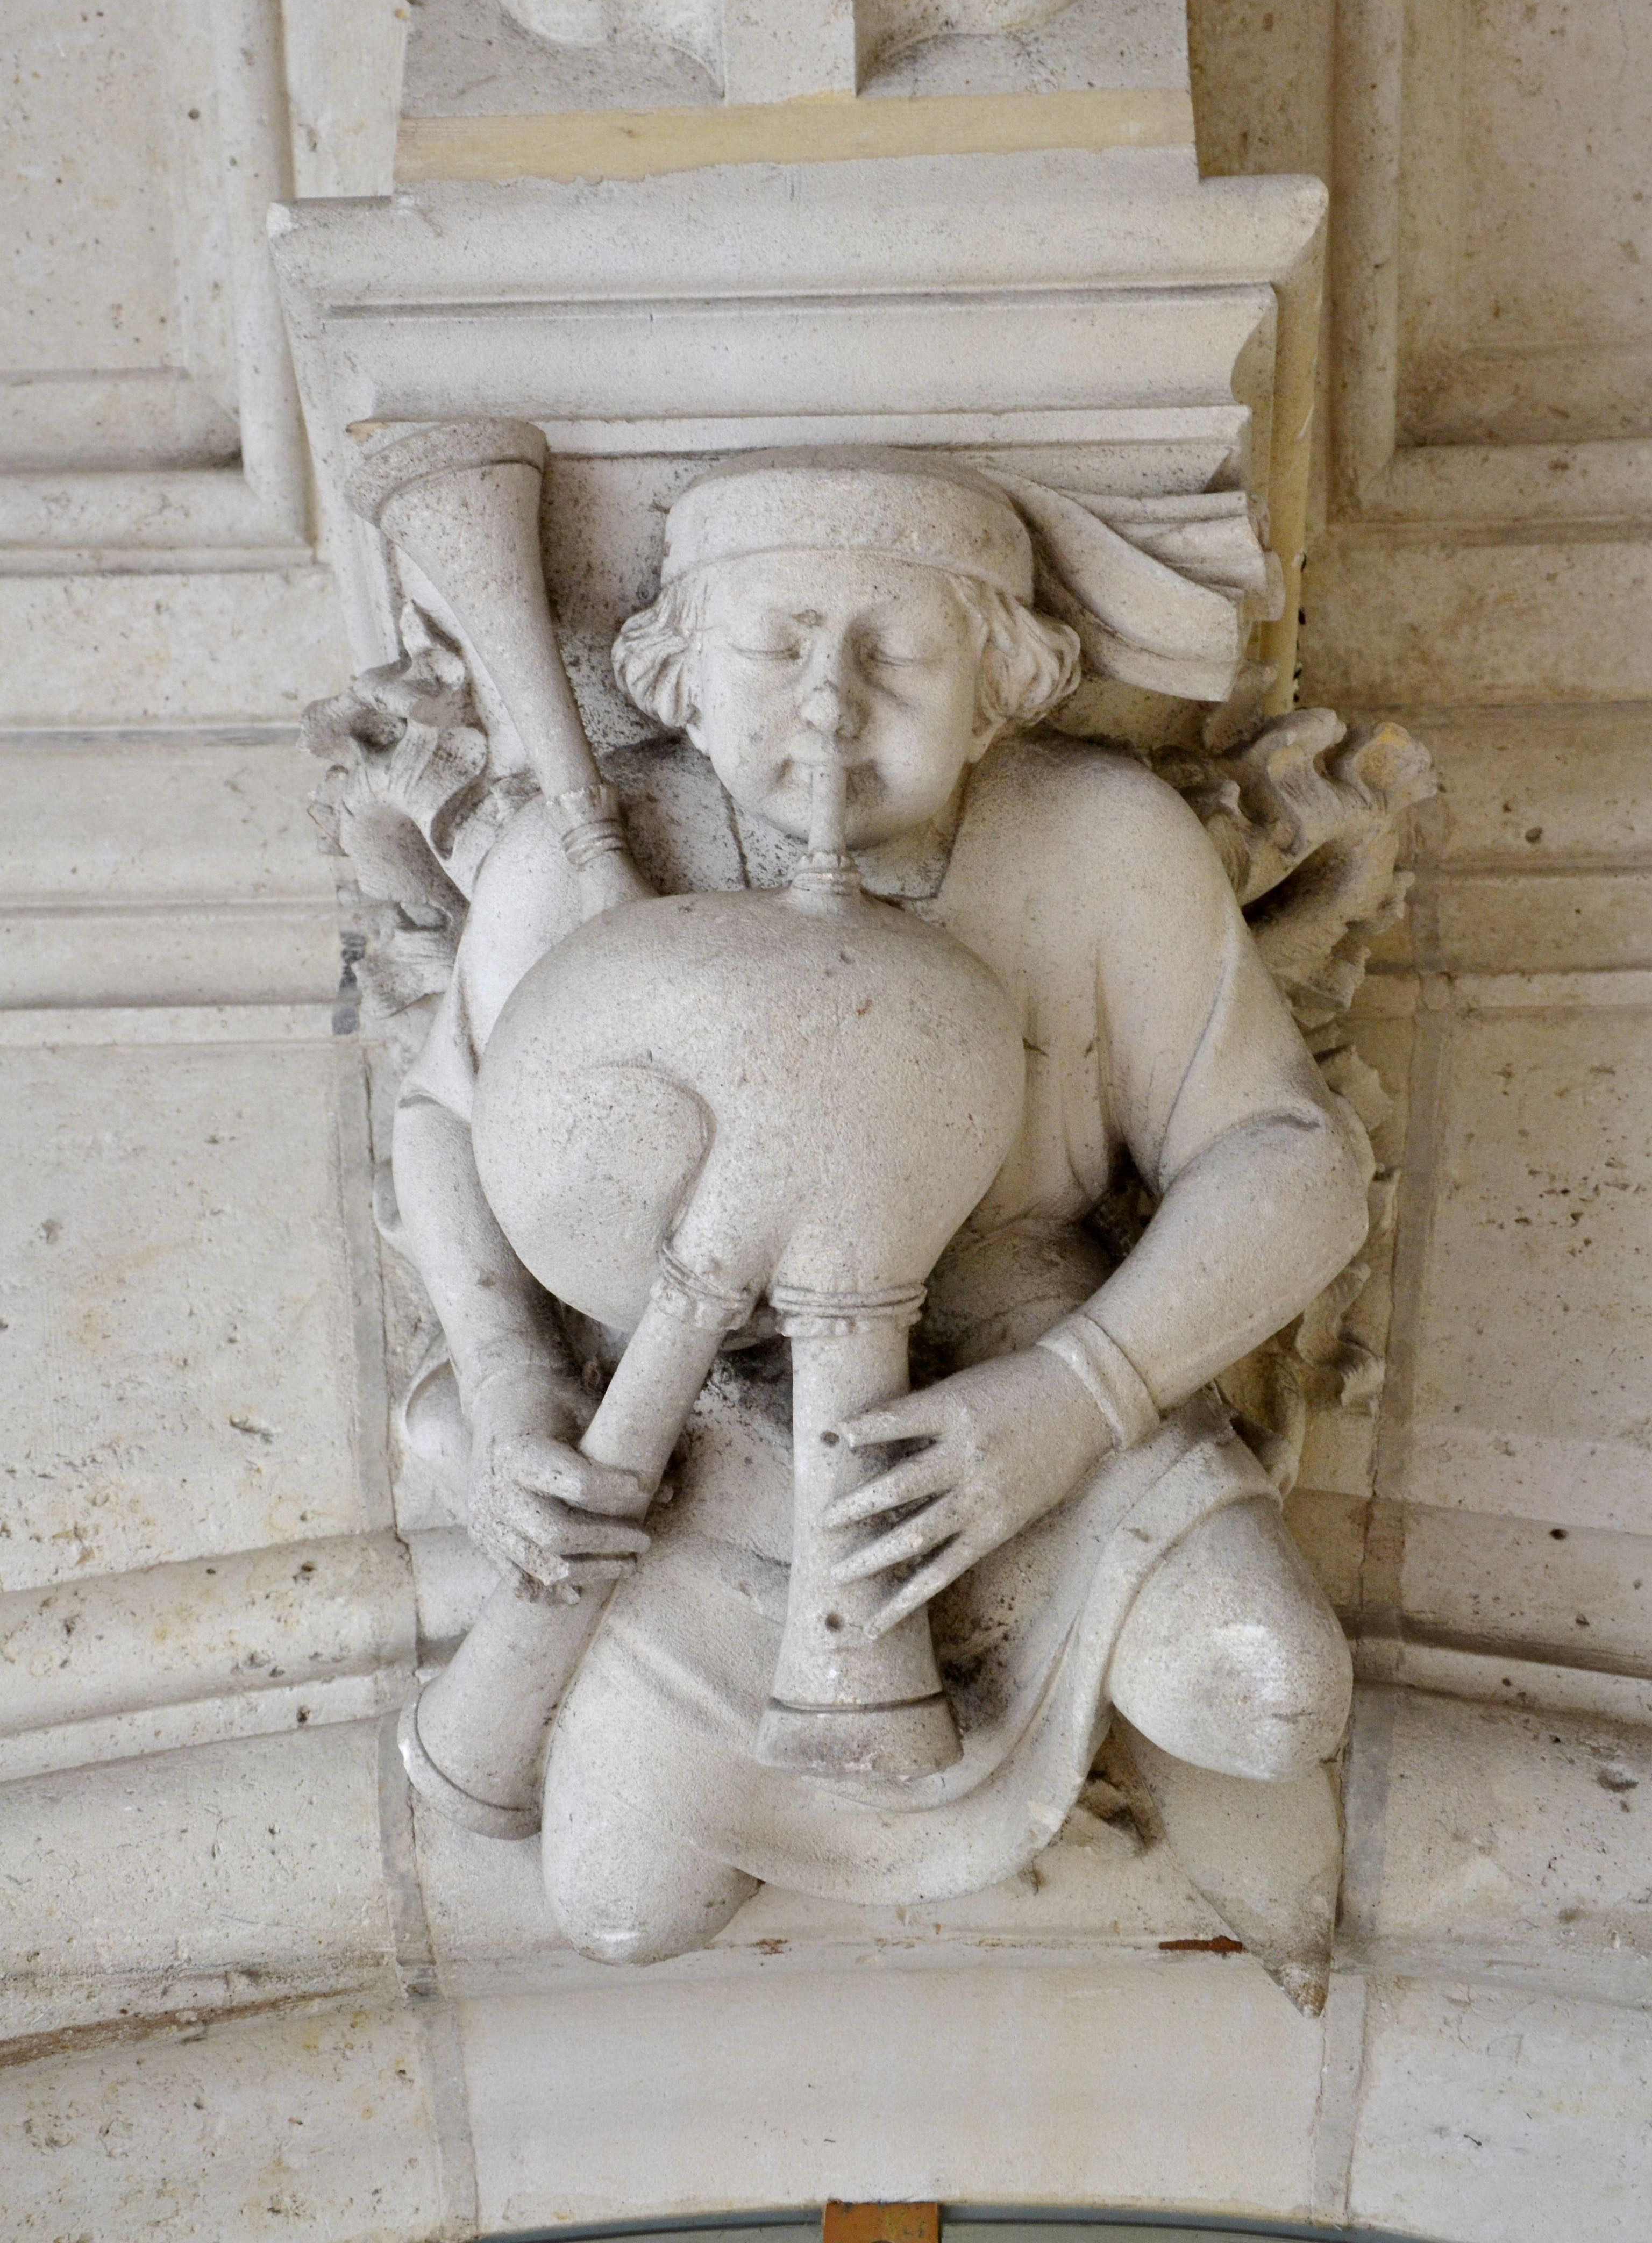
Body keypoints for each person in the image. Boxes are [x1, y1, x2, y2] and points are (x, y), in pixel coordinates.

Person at [392, 451, 1368, 1963]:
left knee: (1270, 1690)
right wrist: (517, 1387)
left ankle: (1138, 1752)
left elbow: (1293, 1162)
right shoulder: (580, 856)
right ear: (681, 678)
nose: (829, 704)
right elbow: (452, 1128)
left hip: (1016, 1370)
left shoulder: (1099, 845)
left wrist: (1073, 1398)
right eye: (776, 648)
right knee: (620, 1905)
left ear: (1001, 688)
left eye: (899, 655)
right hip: (703, 1417)